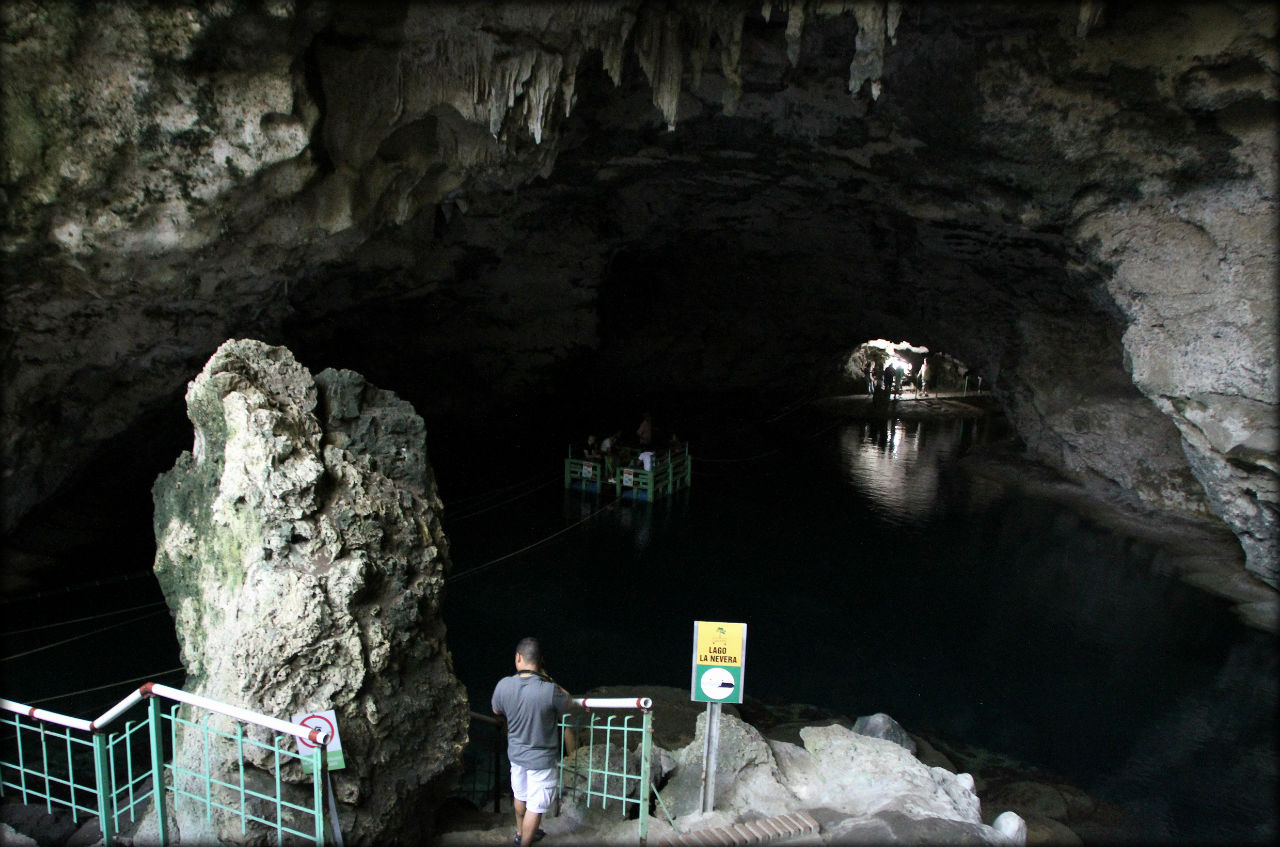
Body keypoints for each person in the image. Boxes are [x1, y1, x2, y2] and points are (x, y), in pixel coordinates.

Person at [492, 638, 571, 847]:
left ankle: (520, 833)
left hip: (516, 756)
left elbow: (496, 710)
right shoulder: (549, 690)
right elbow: (568, 701)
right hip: (541, 761)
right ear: (539, 662)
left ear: (518, 657)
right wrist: (547, 679)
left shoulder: (503, 685)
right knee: (535, 806)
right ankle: (524, 843)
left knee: (520, 795)